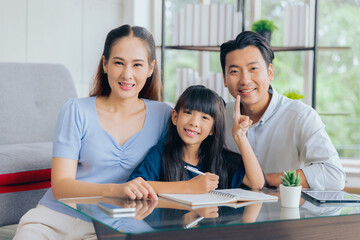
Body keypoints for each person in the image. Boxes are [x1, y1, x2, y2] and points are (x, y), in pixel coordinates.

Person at [14, 24, 172, 239]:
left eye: (137, 65)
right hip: (55, 219)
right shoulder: (76, 110)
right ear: (105, 64)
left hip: (110, 225)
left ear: (150, 69)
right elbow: (61, 187)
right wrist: (116, 190)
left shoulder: (164, 115)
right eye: (118, 63)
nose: (127, 74)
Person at [220, 31, 346, 190]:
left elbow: (333, 175)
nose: (245, 80)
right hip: (233, 213)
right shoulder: (219, 117)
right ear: (224, 79)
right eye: (234, 71)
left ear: (270, 72)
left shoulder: (301, 116)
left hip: (287, 212)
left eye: (253, 68)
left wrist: (265, 180)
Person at [129, 85, 265, 193]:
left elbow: (257, 183)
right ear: (175, 117)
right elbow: (135, 186)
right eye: (188, 113)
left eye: (205, 117)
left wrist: (240, 136)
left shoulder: (221, 160)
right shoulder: (159, 155)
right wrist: (189, 187)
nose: (194, 122)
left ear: (213, 129)